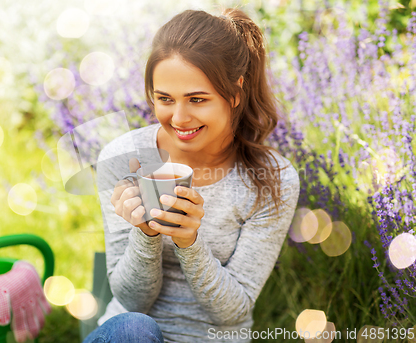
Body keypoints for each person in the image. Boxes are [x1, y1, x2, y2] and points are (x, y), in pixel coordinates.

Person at [86, 6, 300, 343]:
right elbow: (131, 302)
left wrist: (189, 243)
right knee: (136, 329)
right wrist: (146, 233)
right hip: (131, 335)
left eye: (197, 99)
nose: (179, 118)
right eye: (165, 99)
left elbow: (233, 311)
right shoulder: (123, 158)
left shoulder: (273, 180)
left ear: (235, 91)